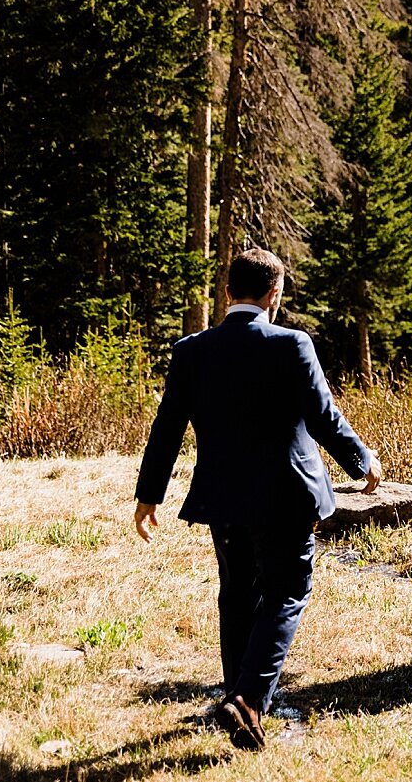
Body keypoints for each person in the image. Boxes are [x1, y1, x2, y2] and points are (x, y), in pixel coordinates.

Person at [133, 247, 384, 750]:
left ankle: (237, 701)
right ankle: (248, 700)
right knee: (287, 591)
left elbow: (166, 429)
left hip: (223, 498)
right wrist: (362, 460)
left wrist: (149, 495)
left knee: (237, 595)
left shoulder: (192, 351)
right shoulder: (292, 344)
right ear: (275, 295)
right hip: (287, 496)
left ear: (227, 293)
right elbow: (323, 417)